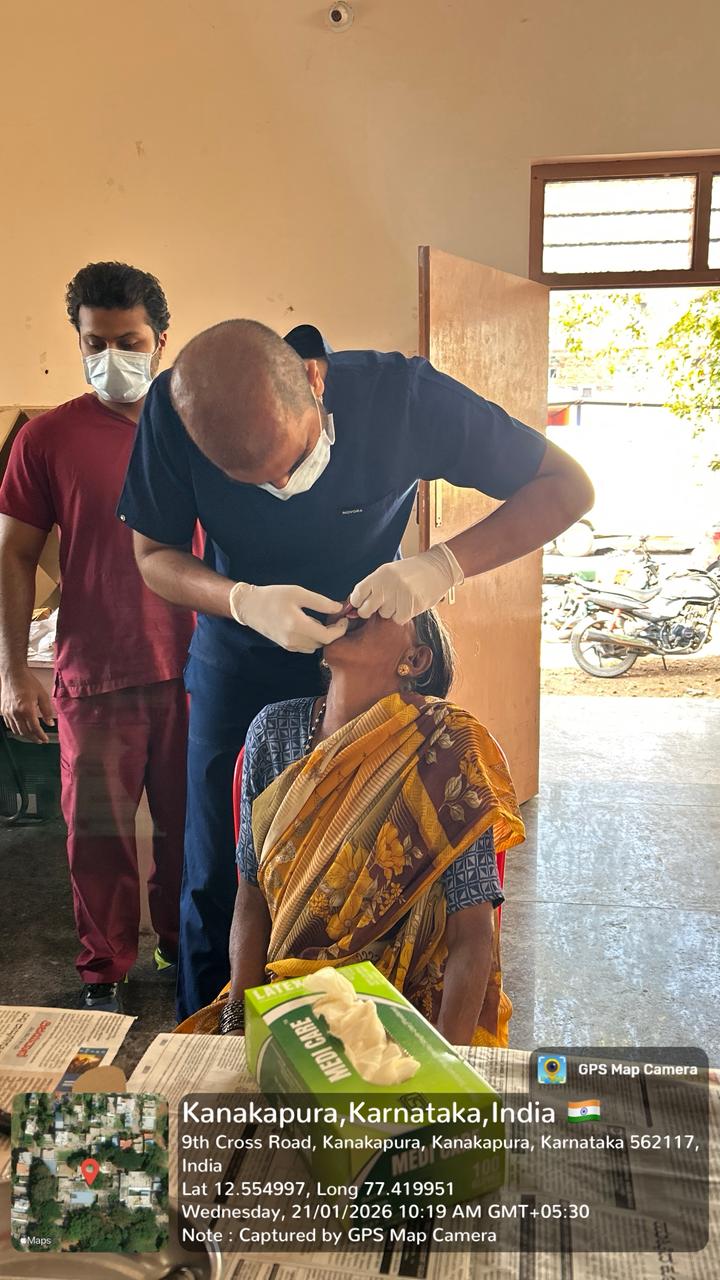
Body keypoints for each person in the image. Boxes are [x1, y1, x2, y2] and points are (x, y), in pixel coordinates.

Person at [118, 318, 593, 1020]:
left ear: (314, 379)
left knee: (377, 880)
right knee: (220, 876)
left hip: (371, 665)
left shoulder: (401, 400)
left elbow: (567, 487)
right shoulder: (170, 410)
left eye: (292, 460)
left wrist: (444, 564)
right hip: (243, 656)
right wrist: (241, 601)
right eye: (254, 483)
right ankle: (220, 1051)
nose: (282, 486)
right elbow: (153, 556)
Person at [178, 607, 524, 1047]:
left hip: (401, 1009)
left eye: (388, 605)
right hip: (285, 996)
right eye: (357, 595)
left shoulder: (447, 744)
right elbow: (251, 893)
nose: (357, 605)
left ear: (415, 660)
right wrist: (239, 1020)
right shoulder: (273, 730)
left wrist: (443, 1065)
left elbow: (472, 933)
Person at [0, 262, 195, 1013]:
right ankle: (104, 971)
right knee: (99, 843)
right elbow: (14, 555)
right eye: (95, 341)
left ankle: (184, 948)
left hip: (194, 671)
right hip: (97, 677)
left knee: (193, 832)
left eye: (130, 341)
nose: (112, 356)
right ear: (78, 340)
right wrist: (13, 670)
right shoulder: (47, 438)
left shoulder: (199, 429)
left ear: (162, 340)